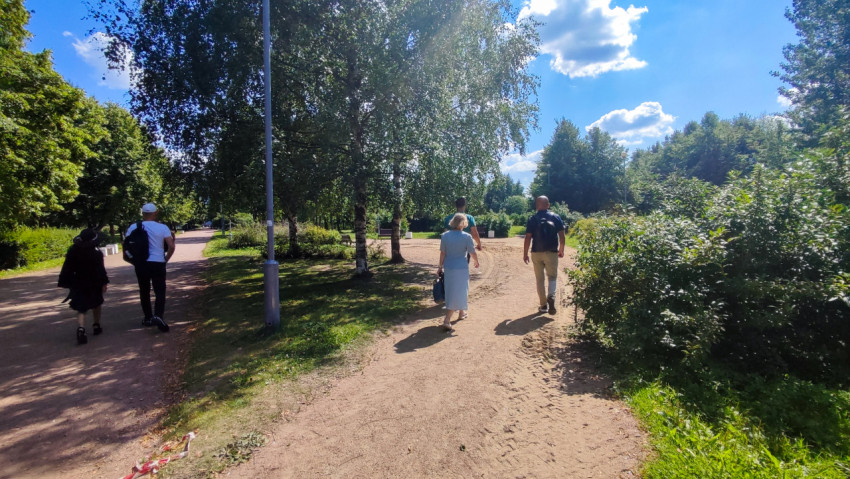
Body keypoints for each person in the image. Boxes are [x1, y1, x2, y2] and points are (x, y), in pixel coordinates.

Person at [126, 202, 175, 332]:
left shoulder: (133, 227)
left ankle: (148, 317)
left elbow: (126, 246)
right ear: (156, 212)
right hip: (158, 262)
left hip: (141, 263)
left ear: (142, 213)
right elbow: (171, 246)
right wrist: (166, 259)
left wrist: (134, 261)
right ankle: (158, 315)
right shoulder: (162, 228)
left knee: (144, 290)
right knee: (160, 291)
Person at [58, 228, 109, 344]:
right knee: (97, 302)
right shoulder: (96, 253)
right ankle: (96, 325)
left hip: (79, 281)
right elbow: (101, 269)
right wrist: (104, 282)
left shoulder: (73, 250)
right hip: (94, 281)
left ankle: (81, 328)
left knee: (81, 306)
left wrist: (65, 280)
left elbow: (67, 267)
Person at [523, 196, 566, 315]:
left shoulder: (532, 218)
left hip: (536, 252)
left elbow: (528, 237)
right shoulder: (556, 217)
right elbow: (562, 236)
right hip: (551, 252)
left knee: (539, 279)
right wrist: (561, 249)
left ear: (537, 205)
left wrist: (525, 253)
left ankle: (543, 305)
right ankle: (551, 296)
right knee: (552, 277)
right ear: (548, 205)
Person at [438, 213, 480, 331]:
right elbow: (472, 252)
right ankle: (447, 319)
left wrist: (440, 266)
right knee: (460, 291)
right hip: (461, 268)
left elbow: (443, 253)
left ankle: (461, 312)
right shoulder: (466, 236)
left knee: (452, 291)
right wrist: (476, 261)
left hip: (449, 267)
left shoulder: (445, 236)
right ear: (463, 224)